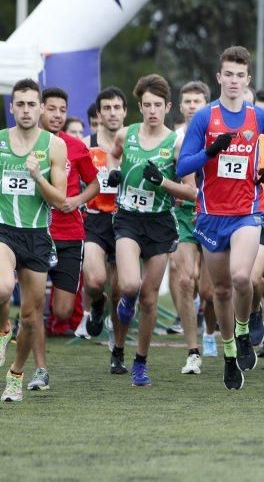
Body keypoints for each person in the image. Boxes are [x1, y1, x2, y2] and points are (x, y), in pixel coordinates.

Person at [176, 46, 264, 390]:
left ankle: (242, 330)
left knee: (242, 278)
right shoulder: (205, 118)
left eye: (241, 75)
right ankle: (228, 354)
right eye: (229, 74)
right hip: (210, 216)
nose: (235, 81)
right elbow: (182, 166)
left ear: (247, 79)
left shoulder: (258, 117)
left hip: (247, 212)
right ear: (219, 77)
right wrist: (210, 151)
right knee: (219, 291)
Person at [109, 74, 196, 387]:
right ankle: (122, 312)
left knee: (149, 300)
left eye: (158, 105)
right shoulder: (126, 134)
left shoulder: (176, 143)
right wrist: (114, 175)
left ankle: (140, 363)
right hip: (129, 218)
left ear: (168, 106)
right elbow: (113, 157)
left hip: (160, 223)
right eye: (146, 105)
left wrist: (163, 182)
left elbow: (191, 192)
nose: (152, 110)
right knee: (130, 285)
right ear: (140, 106)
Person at [27, 88, 99, 392]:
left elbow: (94, 183)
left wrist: (77, 200)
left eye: (62, 110)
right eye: (51, 109)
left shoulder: (76, 147)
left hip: (70, 233)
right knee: (34, 304)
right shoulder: (27, 145)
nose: (56, 115)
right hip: (37, 232)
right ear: (42, 110)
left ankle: (95, 302)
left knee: (62, 312)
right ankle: (40, 368)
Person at [0, 79, 67, 402]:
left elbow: (60, 199)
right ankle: (2, 328)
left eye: (31, 104)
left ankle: (15, 374)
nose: (25, 110)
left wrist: (38, 176)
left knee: (29, 317)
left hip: (37, 236)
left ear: (40, 108)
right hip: (4, 231)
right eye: (20, 104)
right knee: (1, 287)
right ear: (11, 107)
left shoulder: (54, 145)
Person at [168, 81, 211, 374]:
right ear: (181, 107)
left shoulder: (218, 135)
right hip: (183, 217)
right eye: (188, 101)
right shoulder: (173, 141)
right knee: (185, 280)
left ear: (206, 105)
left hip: (213, 217)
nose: (193, 105)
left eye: (198, 100)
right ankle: (192, 351)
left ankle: (217, 335)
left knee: (210, 290)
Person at [83, 87, 127, 353]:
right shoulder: (86, 145)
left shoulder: (133, 143)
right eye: (107, 108)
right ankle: (97, 304)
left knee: (121, 290)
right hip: (95, 221)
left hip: (125, 221)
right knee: (95, 281)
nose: (112, 113)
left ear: (125, 111)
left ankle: (117, 349)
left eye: (117, 107)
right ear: (98, 114)